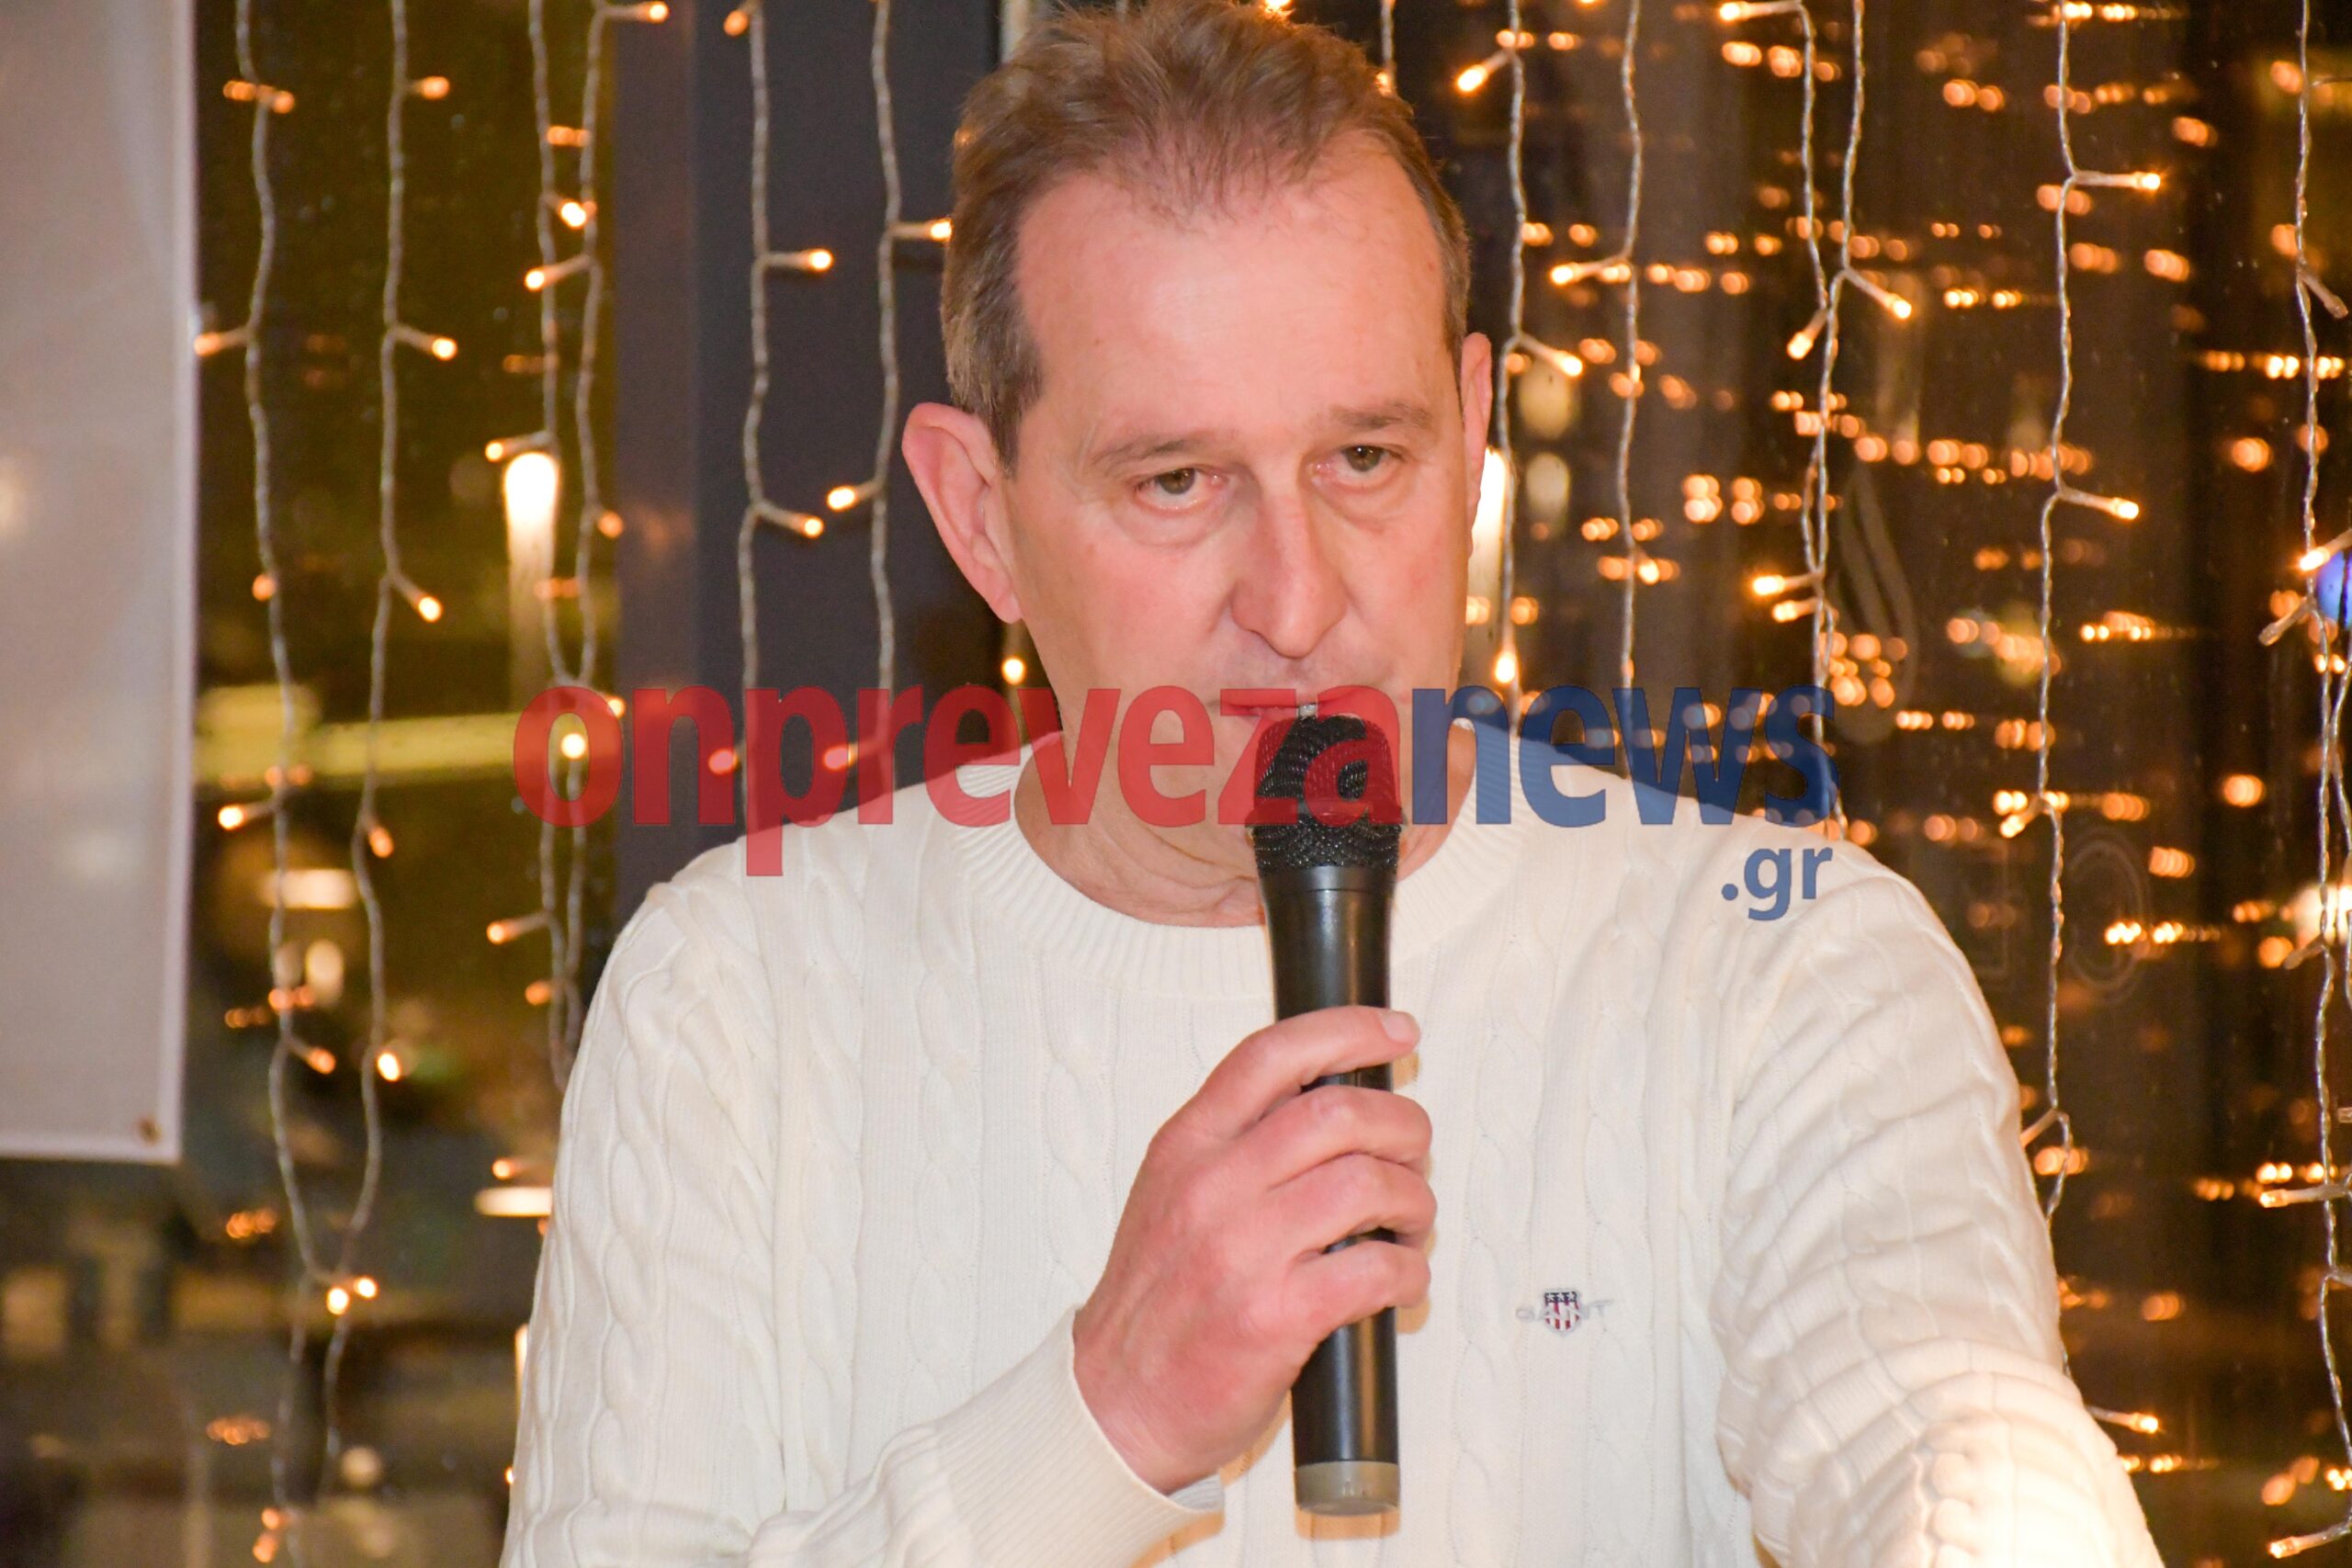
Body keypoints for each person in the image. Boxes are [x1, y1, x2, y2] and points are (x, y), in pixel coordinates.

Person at [502, 1, 2162, 1562]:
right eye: (1176, 482)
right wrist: (1099, 1418)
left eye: (1365, 459)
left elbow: (1952, 1449)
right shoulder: (733, 998)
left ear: (1475, 426)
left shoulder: (1778, 961)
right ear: (981, 518)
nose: (1296, 603)